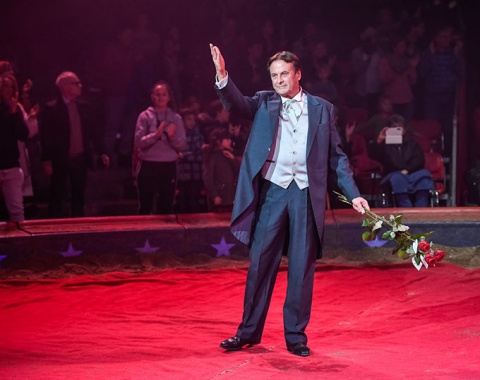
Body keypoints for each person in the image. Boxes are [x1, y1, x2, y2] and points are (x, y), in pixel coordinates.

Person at [210, 44, 369, 357]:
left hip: (306, 195)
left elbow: (337, 158)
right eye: (274, 75)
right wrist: (222, 75)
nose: (279, 80)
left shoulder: (323, 108)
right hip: (273, 192)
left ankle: (295, 336)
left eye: (284, 74)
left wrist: (355, 194)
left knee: (301, 267)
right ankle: (247, 332)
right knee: (260, 263)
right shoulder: (264, 102)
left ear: (298, 74)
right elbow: (237, 104)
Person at [40, 71, 110, 218]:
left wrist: (102, 151)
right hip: (60, 159)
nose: (80, 86)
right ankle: (54, 227)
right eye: (76, 83)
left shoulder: (83, 107)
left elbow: (93, 132)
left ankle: (78, 225)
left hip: (79, 158)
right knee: (57, 193)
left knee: (79, 194)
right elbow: (46, 136)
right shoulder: (51, 108)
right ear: (64, 87)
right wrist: (46, 160)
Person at [133, 81, 187, 215]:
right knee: (145, 206)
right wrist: (155, 135)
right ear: (152, 96)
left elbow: (183, 146)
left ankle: (166, 236)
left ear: (169, 97)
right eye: (157, 94)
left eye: (164, 94)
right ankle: (143, 234)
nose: (161, 97)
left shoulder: (175, 118)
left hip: (168, 166)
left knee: (166, 206)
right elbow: (138, 142)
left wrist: (172, 138)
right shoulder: (144, 116)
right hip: (148, 164)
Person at [372, 114, 434, 207]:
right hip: (393, 174)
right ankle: (406, 209)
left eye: (399, 127)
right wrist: (379, 141)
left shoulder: (413, 144)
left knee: (424, 176)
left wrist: (407, 170)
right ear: (388, 129)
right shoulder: (384, 146)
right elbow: (374, 156)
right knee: (398, 178)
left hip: (412, 172)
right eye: (393, 127)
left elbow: (419, 160)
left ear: (404, 130)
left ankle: (421, 209)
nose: (397, 130)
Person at [0, 74, 29, 226]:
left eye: (10, 86)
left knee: (17, 211)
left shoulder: (15, 109)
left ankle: (21, 246)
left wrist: (13, 113)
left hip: (11, 165)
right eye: (4, 86)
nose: (7, 89)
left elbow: (23, 134)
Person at [202, 127, 239, 212]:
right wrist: (214, 195)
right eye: (226, 138)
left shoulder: (228, 154)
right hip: (219, 198)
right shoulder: (211, 156)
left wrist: (233, 159)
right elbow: (208, 178)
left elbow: (238, 172)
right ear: (218, 141)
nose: (229, 141)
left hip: (230, 197)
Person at [176, 107, 205, 213]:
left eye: (193, 119)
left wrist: (184, 156)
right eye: (189, 119)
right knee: (182, 205)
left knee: (193, 205)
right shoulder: (178, 135)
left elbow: (199, 155)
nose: (192, 122)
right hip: (182, 176)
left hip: (194, 176)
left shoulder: (197, 136)